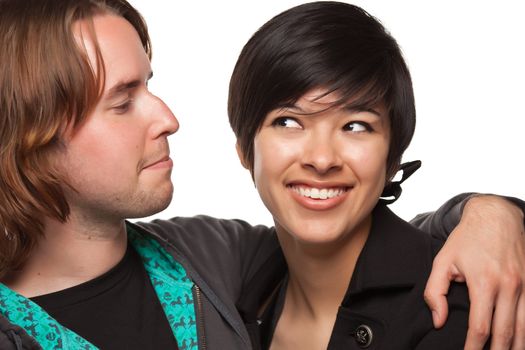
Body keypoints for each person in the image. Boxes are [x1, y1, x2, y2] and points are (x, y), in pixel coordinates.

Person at [0, 0, 523, 349]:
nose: (169, 118)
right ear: (29, 134)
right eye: (122, 102)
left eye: (358, 125)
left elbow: (381, 247)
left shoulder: (207, 256)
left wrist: (490, 214)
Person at [227, 2, 525, 349]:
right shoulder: (235, 297)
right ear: (245, 149)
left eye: (356, 126)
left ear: (392, 158)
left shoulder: (462, 310)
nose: (322, 159)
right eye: (289, 122)